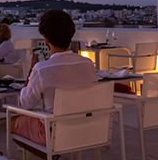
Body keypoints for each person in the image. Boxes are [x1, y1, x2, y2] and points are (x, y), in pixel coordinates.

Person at [13, 9, 97, 149]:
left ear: (46, 39)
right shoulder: (88, 64)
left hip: (55, 131)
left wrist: (31, 71)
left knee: (11, 122)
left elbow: (26, 103)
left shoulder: (42, 69)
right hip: (87, 127)